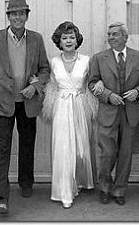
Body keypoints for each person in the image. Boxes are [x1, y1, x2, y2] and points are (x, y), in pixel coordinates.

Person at [0, 0, 50, 215]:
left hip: (27, 101)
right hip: (3, 101)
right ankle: (1, 195)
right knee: (2, 147)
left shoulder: (36, 39)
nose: (18, 17)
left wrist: (36, 85)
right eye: (13, 14)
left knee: (27, 143)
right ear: (8, 17)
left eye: (21, 13)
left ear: (27, 16)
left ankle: (26, 182)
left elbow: (45, 69)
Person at [88, 22, 139, 206]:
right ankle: (105, 187)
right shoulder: (98, 58)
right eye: (109, 34)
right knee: (107, 153)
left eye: (115, 34)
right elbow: (91, 84)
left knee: (125, 154)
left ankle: (120, 189)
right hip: (108, 112)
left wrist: (138, 92)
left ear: (125, 37)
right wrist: (108, 95)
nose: (111, 37)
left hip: (130, 113)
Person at [42, 21, 97, 209]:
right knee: (63, 148)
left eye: (72, 37)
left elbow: (92, 82)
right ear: (59, 40)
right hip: (61, 107)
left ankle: (79, 181)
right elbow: (50, 84)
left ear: (77, 39)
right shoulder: (53, 61)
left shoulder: (87, 61)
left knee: (80, 149)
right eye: (64, 38)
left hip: (80, 106)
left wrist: (98, 86)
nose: (68, 41)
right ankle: (65, 191)